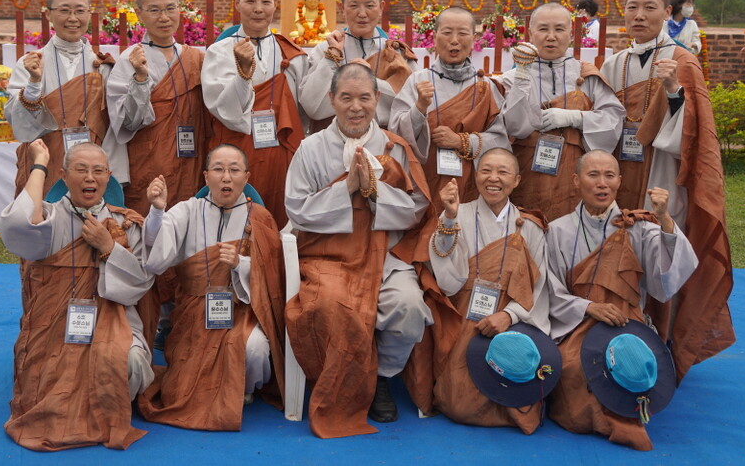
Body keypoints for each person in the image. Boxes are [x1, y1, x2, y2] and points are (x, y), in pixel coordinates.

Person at [284, 63, 432, 438]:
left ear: (377, 100)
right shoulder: (311, 148)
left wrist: (374, 192)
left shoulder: (394, 147)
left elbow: (417, 208)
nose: (355, 107)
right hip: (329, 257)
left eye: (364, 98)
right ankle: (340, 384)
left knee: (410, 308)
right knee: (332, 305)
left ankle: (381, 376)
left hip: (384, 256)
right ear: (332, 100)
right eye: (346, 98)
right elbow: (296, 208)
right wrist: (347, 187)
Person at [599, 0, 733, 381]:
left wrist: (674, 91)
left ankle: (664, 341)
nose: (639, 15)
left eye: (650, 8)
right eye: (632, 7)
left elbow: (695, 133)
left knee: (657, 249)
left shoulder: (683, 60)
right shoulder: (614, 63)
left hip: (660, 172)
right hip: (619, 172)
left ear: (667, 13)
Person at [0, 140, 154, 451]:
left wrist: (108, 247)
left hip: (111, 317)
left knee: (132, 360)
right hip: (56, 321)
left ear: (109, 176)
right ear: (64, 175)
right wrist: (40, 163)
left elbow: (141, 284)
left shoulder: (124, 222)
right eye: (80, 170)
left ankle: (109, 399)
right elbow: (16, 224)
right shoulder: (49, 218)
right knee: (47, 375)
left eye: (98, 171)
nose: (90, 178)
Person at [545, 150, 697, 451]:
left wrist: (665, 219)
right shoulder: (558, 230)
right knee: (573, 367)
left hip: (627, 321)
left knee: (632, 364)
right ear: (576, 181)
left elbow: (667, 274)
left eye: (609, 175)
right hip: (579, 323)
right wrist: (588, 307)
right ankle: (602, 421)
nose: (602, 184)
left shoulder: (637, 226)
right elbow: (550, 290)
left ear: (619, 181)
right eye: (593, 175)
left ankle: (624, 418)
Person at [136, 144, 286, 430]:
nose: (226, 177)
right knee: (180, 388)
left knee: (254, 348)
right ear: (206, 177)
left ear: (246, 176)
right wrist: (157, 211)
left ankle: (243, 388)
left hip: (242, 309)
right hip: (194, 311)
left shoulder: (261, 218)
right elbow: (156, 257)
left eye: (234, 170)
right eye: (218, 169)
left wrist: (241, 264)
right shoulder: (188, 210)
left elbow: (274, 277)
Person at [420, 148, 552, 432]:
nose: (494, 178)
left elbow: (539, 289)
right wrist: (450, 218)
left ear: (516, 180)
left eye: (503, 172)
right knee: (459, 404)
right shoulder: (458, 214)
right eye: (486, 170)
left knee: (520, 397)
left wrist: (509, 315)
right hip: (465, 317)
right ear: (476, 176)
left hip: (514, 321)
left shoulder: (530, 227)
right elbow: (448, 281)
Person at [498, 3, 624, 221]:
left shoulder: (586, 76)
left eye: (559, 29)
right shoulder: (512, 78)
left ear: (571, 33)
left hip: (573, 177)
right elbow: (512, 128)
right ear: (530, 33)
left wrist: (576, 118)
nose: (551, 36)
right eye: (543, 29)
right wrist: (521, 79)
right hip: (528, 175)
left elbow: (613, 121)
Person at [201, 0, 309, 228]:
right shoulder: (220, 51)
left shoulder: (290, 53)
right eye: (250, 1)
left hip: (279, 151)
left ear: (275, 5)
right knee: (236, 224)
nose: (258, 9)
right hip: (236, 151)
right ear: (237, 4)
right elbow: (224, 110)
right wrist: (243, 74)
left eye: (265, 1)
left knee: (280, 219)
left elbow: (304, 110)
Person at [5, 0, 122, 196]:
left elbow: (116, 124)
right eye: (64, 11)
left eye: (80, 11)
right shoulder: (30, 63)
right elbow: (17, 121)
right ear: (48, 15)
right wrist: (33, 83)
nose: (73, 18)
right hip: (45, 159)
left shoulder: (102, 66)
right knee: (45, 221)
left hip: (90, 167)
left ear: (89, 13)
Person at [388, 6, 511, 212]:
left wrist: (462, 141)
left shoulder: (485, 86)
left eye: (462, 33)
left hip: (471, 181)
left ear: (474, 38)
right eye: (447, 32)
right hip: (426, 180)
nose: (454, 40)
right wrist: (419, 108)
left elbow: (501, 141)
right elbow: (396, 134)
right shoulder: (418, 80)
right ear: (435, 37)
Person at [106, 0, 208, 215]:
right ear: (140, 14)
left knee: (187, 221)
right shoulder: (130, 59)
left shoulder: (194, 58)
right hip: (149, 161)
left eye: (170, 8)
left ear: (179, 10)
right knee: (148, 225)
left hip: (190, 159)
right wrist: (140, 80)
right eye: (154, 10)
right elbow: (126, 122)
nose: (164, 17)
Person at [300, 0, 418, 128]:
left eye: (370, 6)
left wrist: (371, 80)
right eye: (354, 6)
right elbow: (311, 108)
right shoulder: (326, 50)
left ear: (381, 7)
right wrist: (332, 57)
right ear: (342, 8)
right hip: (335, 145)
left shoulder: (396, 53)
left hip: (381, 145)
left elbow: (413, 106)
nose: (362, 13)